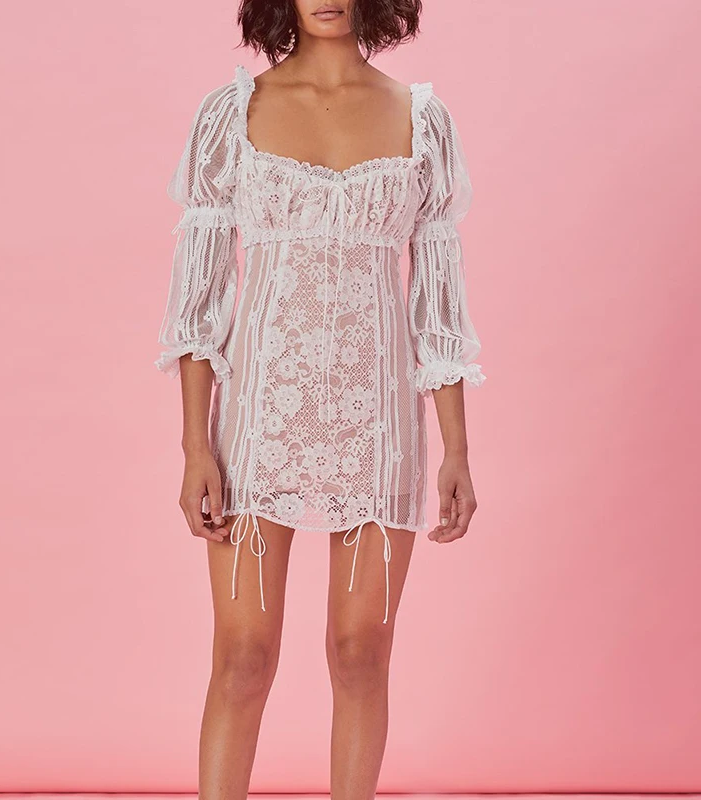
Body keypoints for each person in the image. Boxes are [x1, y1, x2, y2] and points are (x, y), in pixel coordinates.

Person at [154, 1, 486, 796]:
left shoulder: (422, 121)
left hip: (380, 423)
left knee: (360, 654)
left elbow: (437, 307)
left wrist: (458, 450)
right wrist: (195, 446)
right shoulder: (233, 114)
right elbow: (200, 303)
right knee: (242, 657)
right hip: (259, 419)